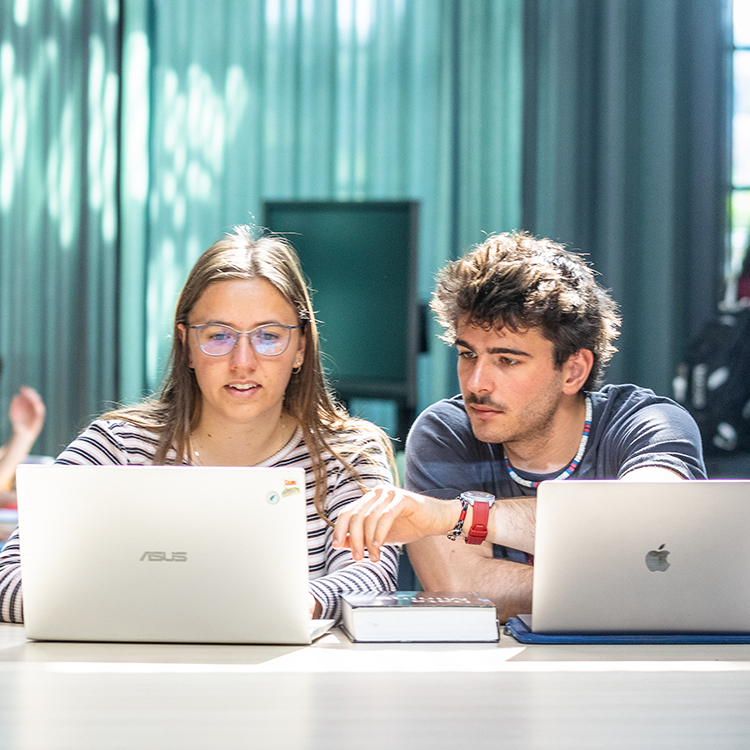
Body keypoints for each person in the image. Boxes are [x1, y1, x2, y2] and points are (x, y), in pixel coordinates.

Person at [0, 226, 398, 624]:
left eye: (269, 336)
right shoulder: (118, 445)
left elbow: (371, 578)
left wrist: (287, 607)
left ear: (301, 348)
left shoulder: (349, 454)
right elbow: (8, 576)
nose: (243, 361)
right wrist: (139, 610)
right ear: (186, 344)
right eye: (219, 335)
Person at [332, 231, 706, 622]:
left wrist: (457, 516)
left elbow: (644, 525)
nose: (476, 383)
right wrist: (621, 581)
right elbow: (461, 589)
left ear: (573, 371)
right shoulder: (445, 432)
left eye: (507, 360)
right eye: (467, 354)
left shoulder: (648, 423)